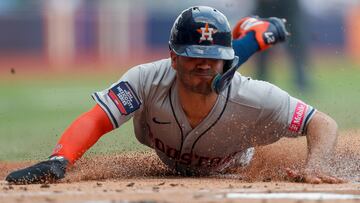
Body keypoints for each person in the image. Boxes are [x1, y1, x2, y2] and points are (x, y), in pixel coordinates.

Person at [6, 6, 343, 184]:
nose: (203, 63)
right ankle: (257, 33)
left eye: (211, 57)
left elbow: (322, 123)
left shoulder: (253, 97)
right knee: (210, 69)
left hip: (230, 133)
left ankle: (260, 32)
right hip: (190, 75)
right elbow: (97, 119)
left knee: (220, 68)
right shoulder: (147, 78)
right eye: (190, 53)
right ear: (172, 55)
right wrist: (60, 160)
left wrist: (315, 166)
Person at [253, 0, 310, 91]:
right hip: (267, 5)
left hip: (286, 5)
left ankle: (301, 80)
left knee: (296, 40)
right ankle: (261, 80)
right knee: (260, 38)